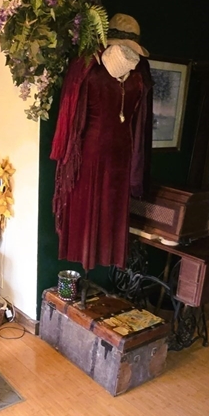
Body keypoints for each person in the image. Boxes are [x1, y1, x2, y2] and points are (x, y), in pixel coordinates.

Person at [50, 14, 153, 270]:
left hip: (122, 156)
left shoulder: (140, 71)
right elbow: (71, 116)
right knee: (87, 212)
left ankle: (98, 267)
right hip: (89, 155)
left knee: (110, 214)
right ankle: (81, 270)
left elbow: (141, 121)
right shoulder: (87, 66)